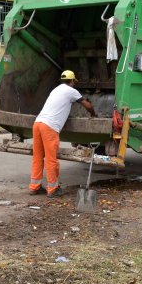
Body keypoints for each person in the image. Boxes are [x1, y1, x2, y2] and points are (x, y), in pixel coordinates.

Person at [29, 70, 96, 198]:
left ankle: (34, 187)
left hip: (38, 123)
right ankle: (53, 189)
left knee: (37, 157)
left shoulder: (56, 90)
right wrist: (93, 113)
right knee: (51, 159)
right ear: (72, 81)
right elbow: (86, 105)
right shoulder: (71, 91)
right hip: (49, 127)